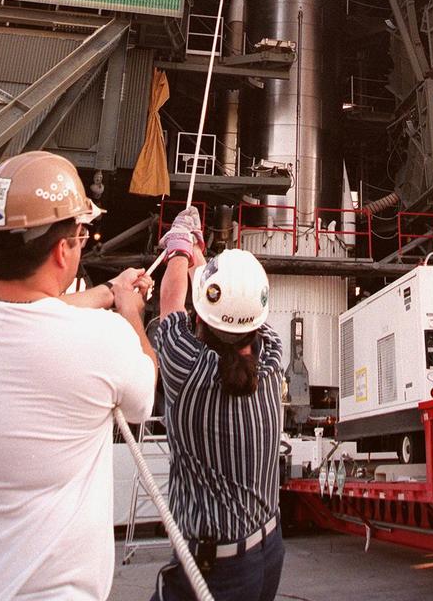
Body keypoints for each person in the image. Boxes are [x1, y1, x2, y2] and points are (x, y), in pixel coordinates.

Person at [0, 150, 157, 601]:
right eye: (82, 234)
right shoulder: (103, 340)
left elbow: (29, 311)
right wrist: (131, 313)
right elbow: (144, 390)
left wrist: (109, 292)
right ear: (62, 249)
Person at [151, 209, 284, 601]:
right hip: (268, 553)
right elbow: (231, 317)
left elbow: (171, 302)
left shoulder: (187, 368)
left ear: (202, 319)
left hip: (212, 572)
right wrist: (195, 261)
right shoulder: (272, 358)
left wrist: (180, 243)